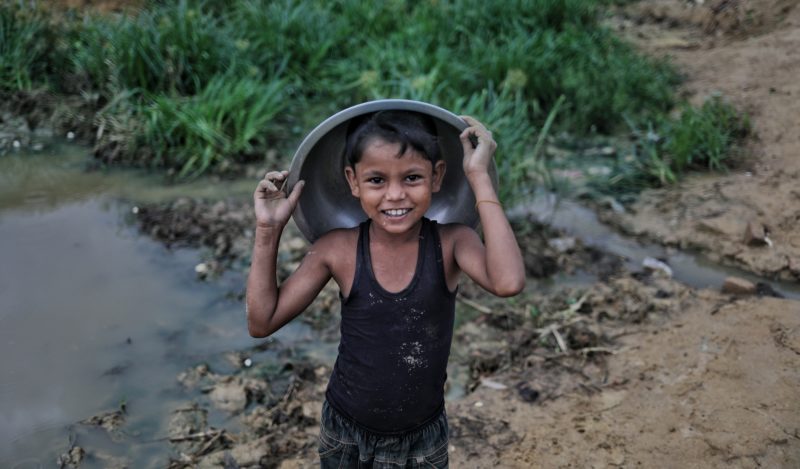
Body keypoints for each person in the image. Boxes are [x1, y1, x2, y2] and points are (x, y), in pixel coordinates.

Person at [246, 110, 525, 468]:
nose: (395, 195)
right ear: (353, 181)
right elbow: (261, 322)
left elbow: (508, 282)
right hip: (346, 432)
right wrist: (267, 232)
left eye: (412, 178)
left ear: (437, 175)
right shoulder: (338, 249)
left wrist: (479, 177)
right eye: (376, 180)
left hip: (422, 438)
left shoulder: (453, 242)